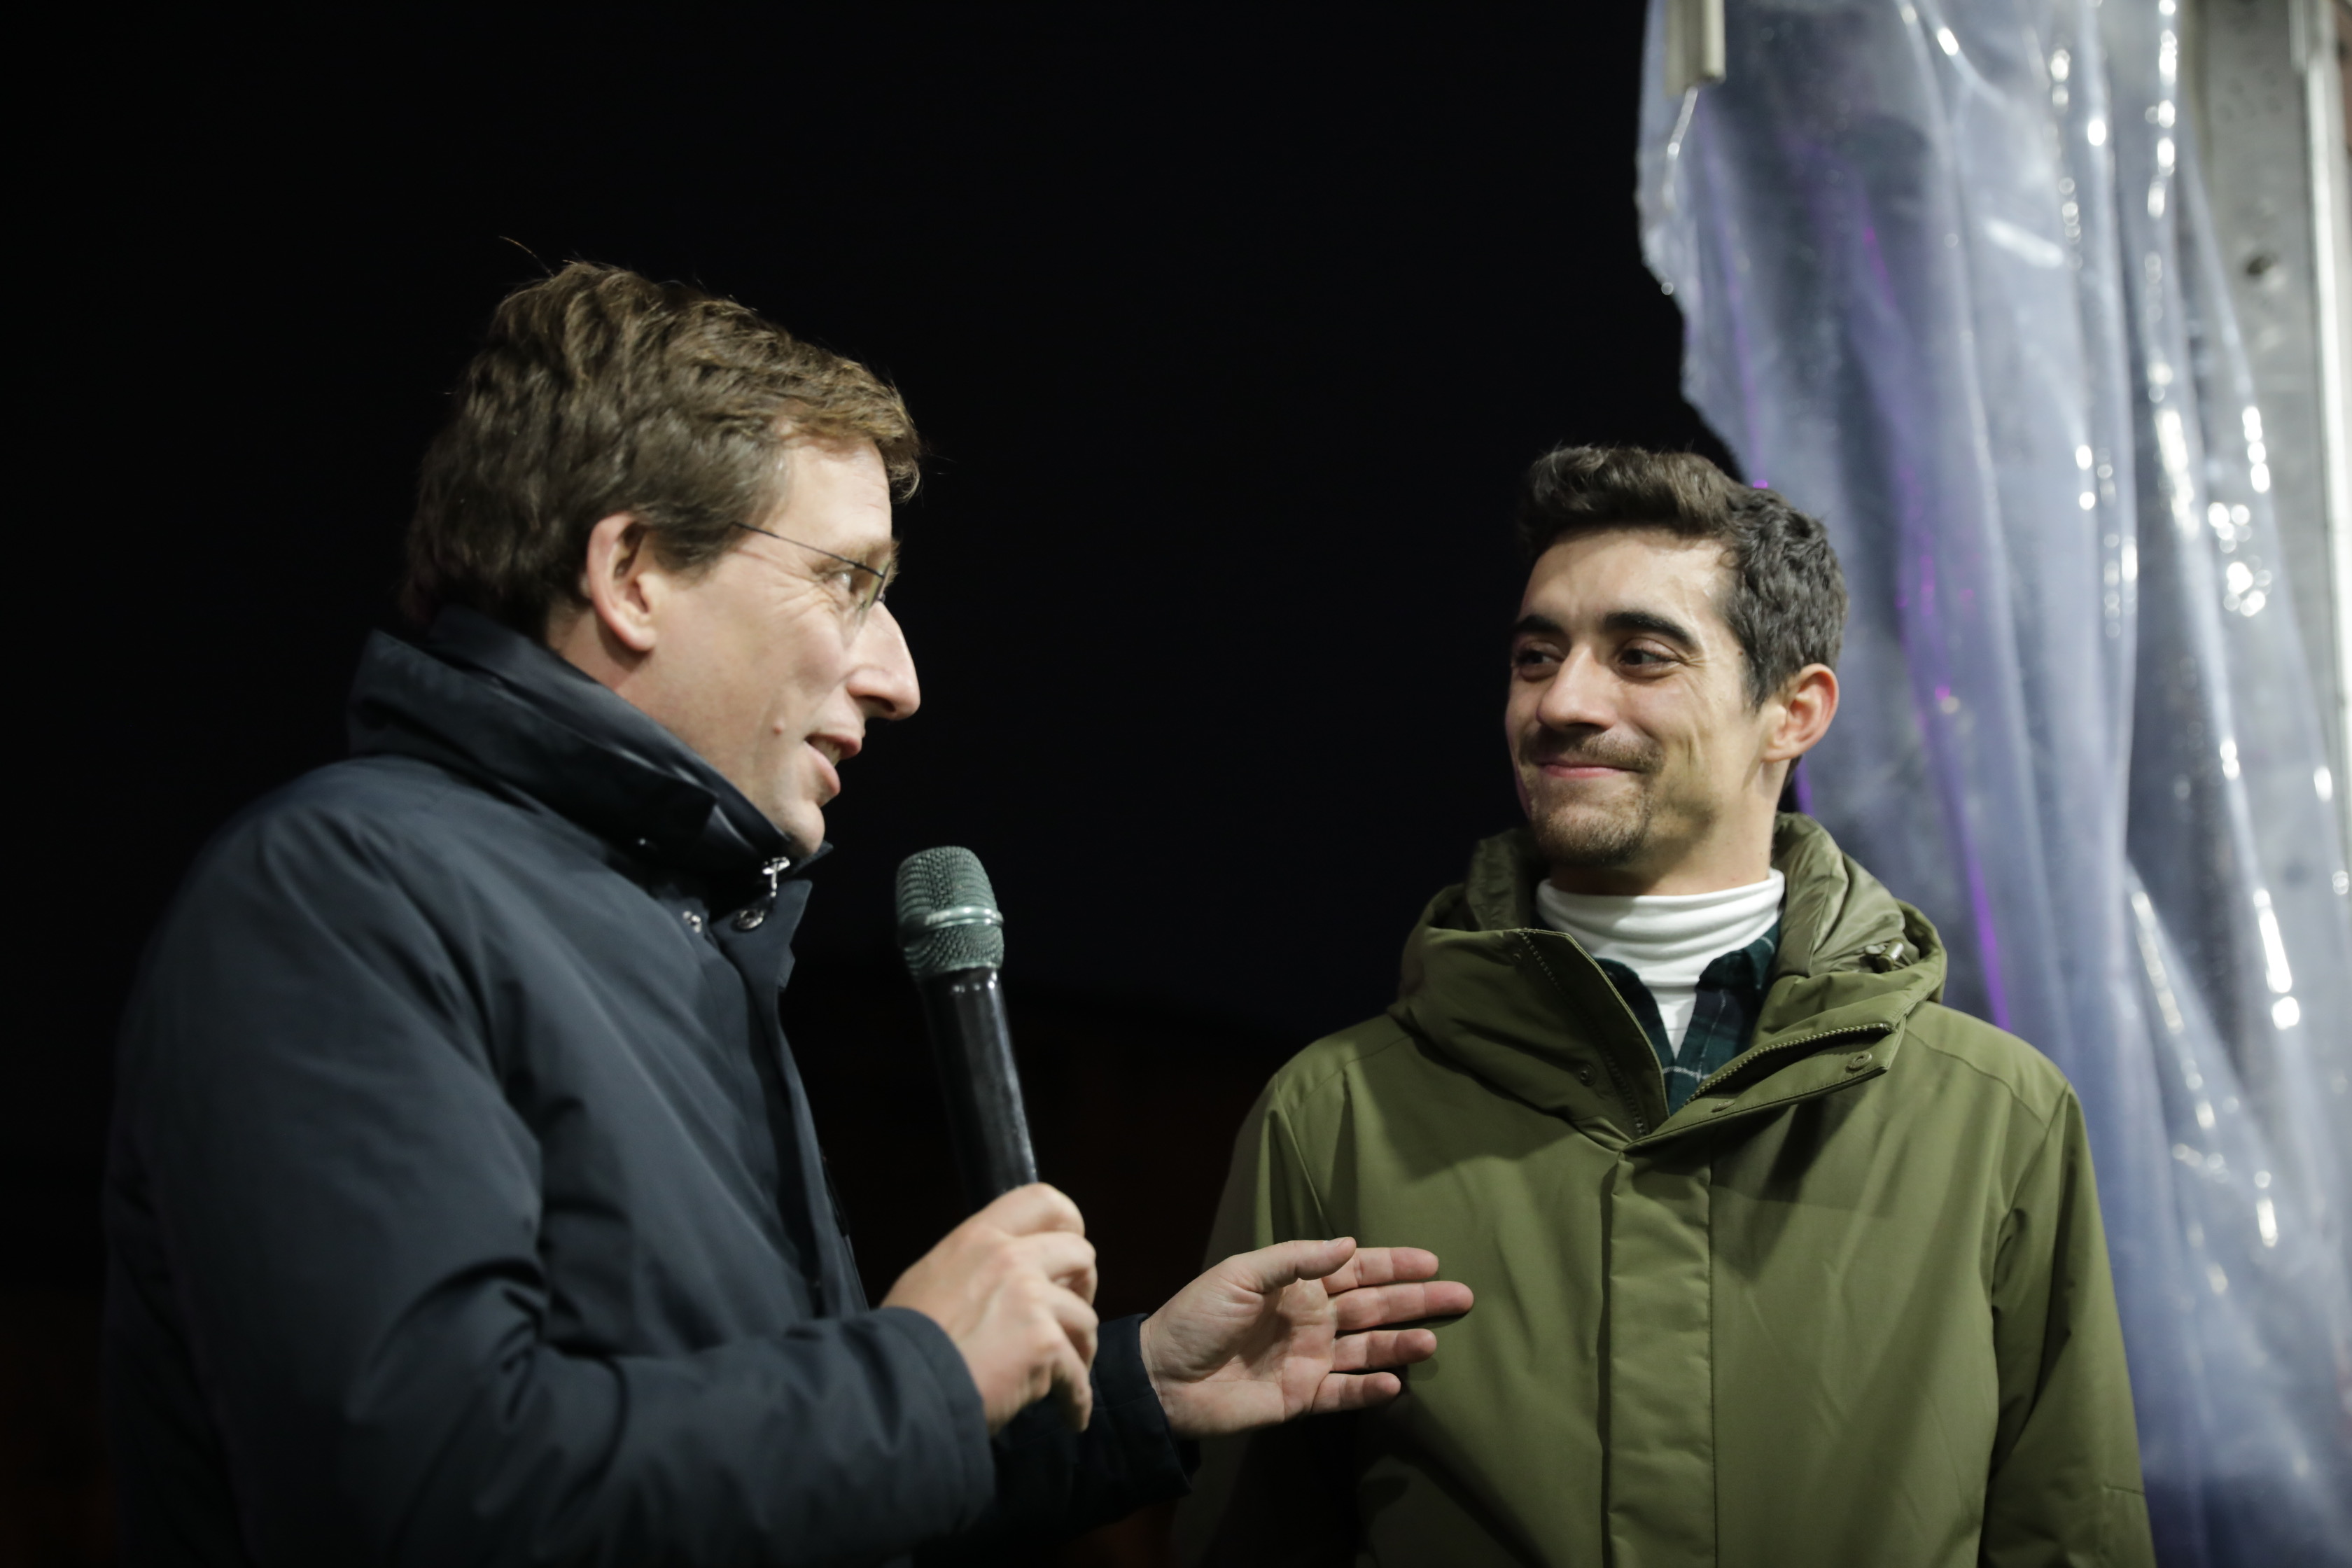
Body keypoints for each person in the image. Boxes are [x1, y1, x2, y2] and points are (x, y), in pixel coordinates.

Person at [101, 262, 1474, 1566]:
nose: (900, 676)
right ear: (633, 573)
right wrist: (925, 1372)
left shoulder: (691, 944)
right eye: (848, 580)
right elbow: (432, 1495)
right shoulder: (339, 896)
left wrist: (1132, 1395)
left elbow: (762, 1486)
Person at [1177, 447, 2155, 1567]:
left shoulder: (1997, 1116)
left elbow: (2072, 1529)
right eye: (1536, 657)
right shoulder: (1334, 1116)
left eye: (1641, 656)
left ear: (1794, 712)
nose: (1563, 702)